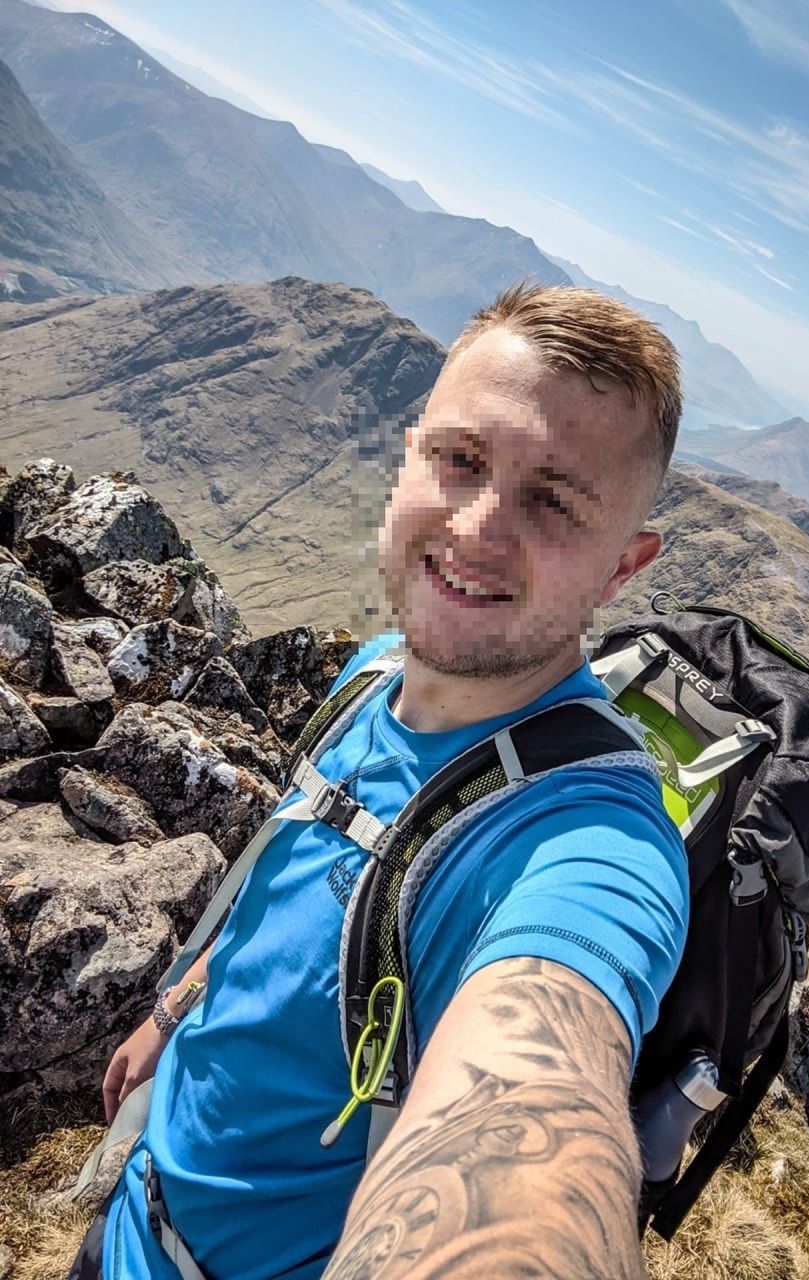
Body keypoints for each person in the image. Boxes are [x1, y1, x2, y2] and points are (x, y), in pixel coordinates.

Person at [87, 282, 690, 1279]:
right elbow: (293, 883)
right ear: (409, 454)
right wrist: (172, 1009)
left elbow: (536, 1099)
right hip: (132, 1207)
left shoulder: (592, 839)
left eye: (553, 500)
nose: (478, 528)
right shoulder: (376, 670)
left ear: (623, 568)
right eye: (460, 460)